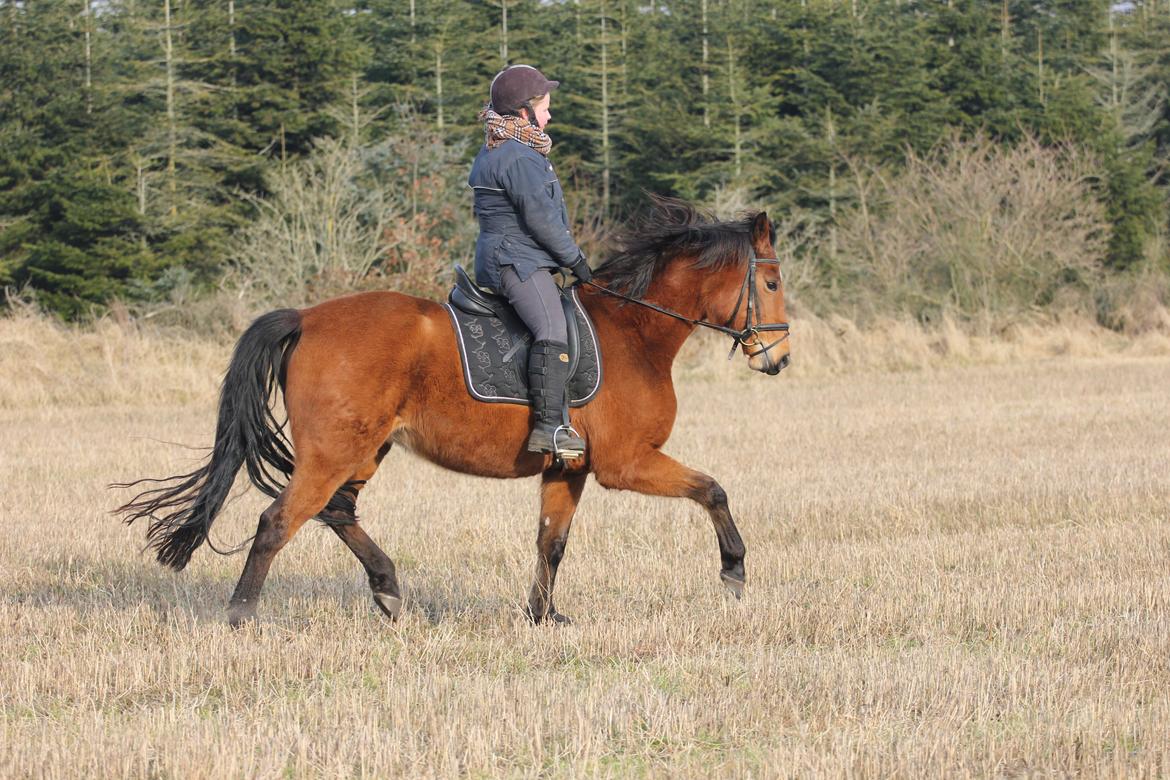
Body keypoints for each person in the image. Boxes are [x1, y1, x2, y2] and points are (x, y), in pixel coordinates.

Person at [468, 65, 591, 458]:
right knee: (552, 327)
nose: (549, 116)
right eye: (544, 108)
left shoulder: (506, 148)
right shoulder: (518, 157)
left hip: (513, 255)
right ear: (523, 112)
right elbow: (542, 220)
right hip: (516, 262)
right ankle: (549, 429)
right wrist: (575, 260)